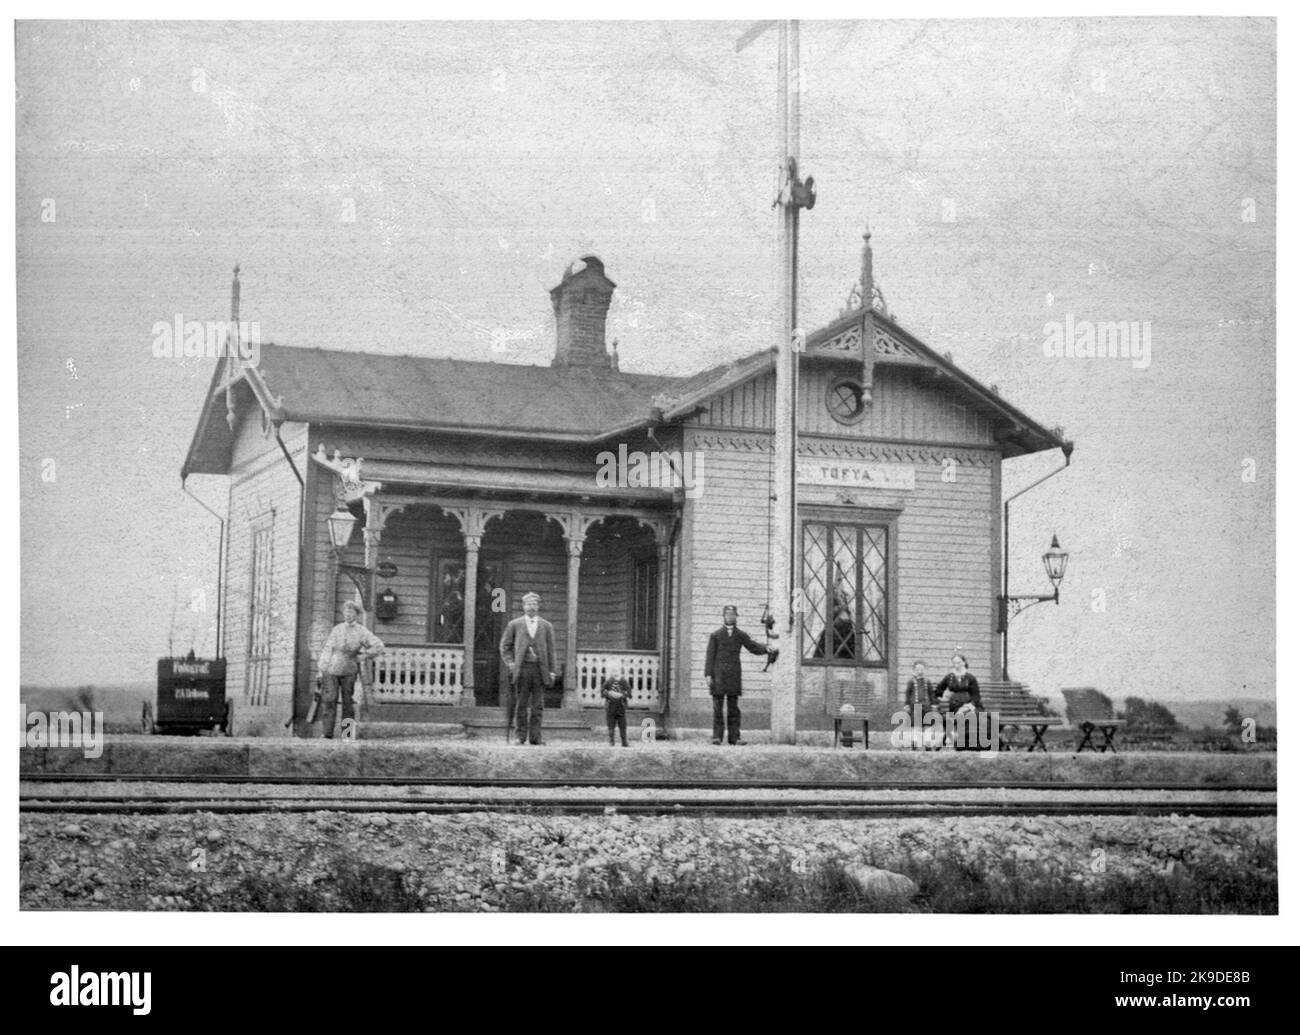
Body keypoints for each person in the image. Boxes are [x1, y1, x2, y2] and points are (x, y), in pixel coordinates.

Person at [704, 605, 776, 746]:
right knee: (718, 707)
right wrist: (708, 675)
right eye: (728, 614)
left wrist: (767, 649)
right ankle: (717, 736)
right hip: (718, 675)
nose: (730, 617)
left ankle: (734, 738)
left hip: (733, 674)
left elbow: (753, 646)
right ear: (723, 616)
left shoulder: (740, 635)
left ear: (737, 616)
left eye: (733, 614)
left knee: (733, 707)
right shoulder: (715, 635)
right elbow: (710, 656)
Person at [316, 600, 385, 740]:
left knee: (348, 702)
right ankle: (327, 733)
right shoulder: (337, 629)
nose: (348, 614)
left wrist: (365, 655)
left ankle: (347, 734)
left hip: (349, 669)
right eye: (346, 611)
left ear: (357, 614)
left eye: (351, 611)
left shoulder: (361, 631)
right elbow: (327, 649)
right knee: (329, 700)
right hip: (332, 668)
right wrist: (321, 669)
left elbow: (379, 646)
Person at [499, 592, 557, 746]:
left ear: (538, 606)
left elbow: (551, 650)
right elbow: (505, 646)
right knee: (521, 704)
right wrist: (511, 663)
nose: (531, 607)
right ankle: (520, 737)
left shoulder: (546, 626)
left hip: (540, 670)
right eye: (528, 604)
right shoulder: (514, 625)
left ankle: (535, 737)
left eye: (534, 604)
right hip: (522, 669)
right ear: (523, 606)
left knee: (538, 705)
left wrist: (552, 671)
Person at [936, 653, 982, 751]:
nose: (957, 665)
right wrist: (944, 696)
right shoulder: (950, 677)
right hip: (955, 706)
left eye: (959, 662)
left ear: (964, 662)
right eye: (954, 663)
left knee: (974, 716)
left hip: (970, 705)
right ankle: (963, 745)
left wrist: (969, 706)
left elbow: (976, 696)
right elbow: (938, 690)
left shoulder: (970, 677)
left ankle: (973, 745)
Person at [904, 660, 939, 751]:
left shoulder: (927, 682)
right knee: (917, 726)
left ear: (925, 670)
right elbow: (908, 693)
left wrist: (934, 704)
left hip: (927, 707)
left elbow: (931, 694)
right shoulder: (911, 681)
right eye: (917, 669)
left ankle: (928, 745)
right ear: (914, 670)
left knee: (928, 726)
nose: (920, 671)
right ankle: (915, 744)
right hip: (916, 707)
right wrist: (907, 704)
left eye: (922, 669)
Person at [601, 666, 631, 747]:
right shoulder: (608, 681)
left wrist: (622, 695)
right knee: (611, 724)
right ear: (611, 673)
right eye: (614, 671)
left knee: (622, 724)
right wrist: (609, 693)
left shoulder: (623, 681)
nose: (616, 673)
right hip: (610, 706)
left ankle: (624, 741)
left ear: (620, 672)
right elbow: (602, 691)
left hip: (620, 706)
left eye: (617, 671)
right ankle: (611, 741)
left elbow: (629, 691)